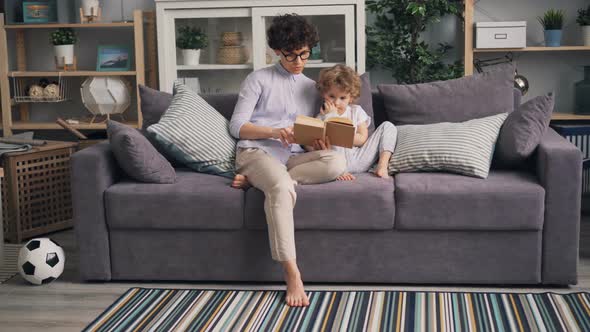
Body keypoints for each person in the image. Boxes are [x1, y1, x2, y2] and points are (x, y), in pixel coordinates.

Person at [228, 14, 346, 307]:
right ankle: (292, 273)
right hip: (257, 151)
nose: (298, 61)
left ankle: (265, 183)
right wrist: (273, 131)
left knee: (336, 162)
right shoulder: (258, 79)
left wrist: (316, 141)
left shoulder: (311, 86)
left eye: (304, 54)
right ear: (277, 51)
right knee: (280, 188)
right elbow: (237, 126)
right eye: (291, 55)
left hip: (291, 159)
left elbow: (306, 135)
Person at [316, 64, 397, 181]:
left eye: (342, 98)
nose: (337, 102)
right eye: (332, 96)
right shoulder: (321, 116)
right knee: (330, 140)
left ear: (351, 97)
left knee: (388, 126)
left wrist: (341, 132)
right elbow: (316, 146)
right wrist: (329, 117)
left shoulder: (356, 111)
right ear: (324, 94)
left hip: (358, 158)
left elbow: (362, 139)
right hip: (335, 161)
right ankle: (337, 171)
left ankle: (382, 166)